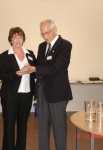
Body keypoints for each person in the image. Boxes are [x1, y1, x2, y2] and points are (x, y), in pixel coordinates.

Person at [16, 19, 73, 150]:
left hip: (58, 93)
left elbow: (56, 67)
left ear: (55, 29)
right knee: (42, 127)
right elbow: (40, 67)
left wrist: (34, 69)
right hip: (42, 91)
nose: (45, 36)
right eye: (42, 34)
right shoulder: (42, 46)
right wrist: (27, 68)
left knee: (59, 127)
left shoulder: (65, 45)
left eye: (47, 33)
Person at [0, 27, 36, 150]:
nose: (18, 40)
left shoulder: (30, 54)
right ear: (10, 39)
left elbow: (36, 71)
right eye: (15, 37)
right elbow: (2, 75)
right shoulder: (4, 56)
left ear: (23, 39)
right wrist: (16, 74)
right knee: (9, 126)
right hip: (10, 96)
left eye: (20, 37)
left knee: (22, 126)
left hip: (26, 94)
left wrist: (31, 70)